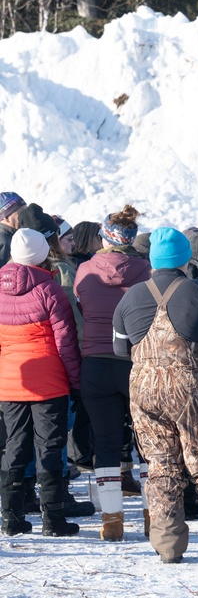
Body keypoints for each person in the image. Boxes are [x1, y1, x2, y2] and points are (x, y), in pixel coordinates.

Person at [113, 228, 198, 564]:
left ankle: (168, 546)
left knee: (161, 466)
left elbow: (119, 348)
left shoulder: (129, 297)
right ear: (186, 258)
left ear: (152, 261)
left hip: (143, 388)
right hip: (193, 389)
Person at [74, 205, 151, 540]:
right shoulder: (146, 270)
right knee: (148, 442)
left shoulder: (84, 271)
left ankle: (112, 520)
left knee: (105, 443)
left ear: (105, 238)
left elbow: (81, 306)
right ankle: (153, 515)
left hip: (96, 362)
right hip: (136, 362)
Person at [0, 228, 82, 536]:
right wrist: (76, 383)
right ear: (41, 254)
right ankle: (54, 520)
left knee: (14, 446)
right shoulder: (50, 291)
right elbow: (66, 344)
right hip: (49, 382)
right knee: (49, 447)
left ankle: (11, 517)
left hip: (10, 380)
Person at [0, 192, 26, 265]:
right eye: (21, 213)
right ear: (6, 218)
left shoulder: (17, 235)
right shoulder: (4, 243)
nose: (26, 216)